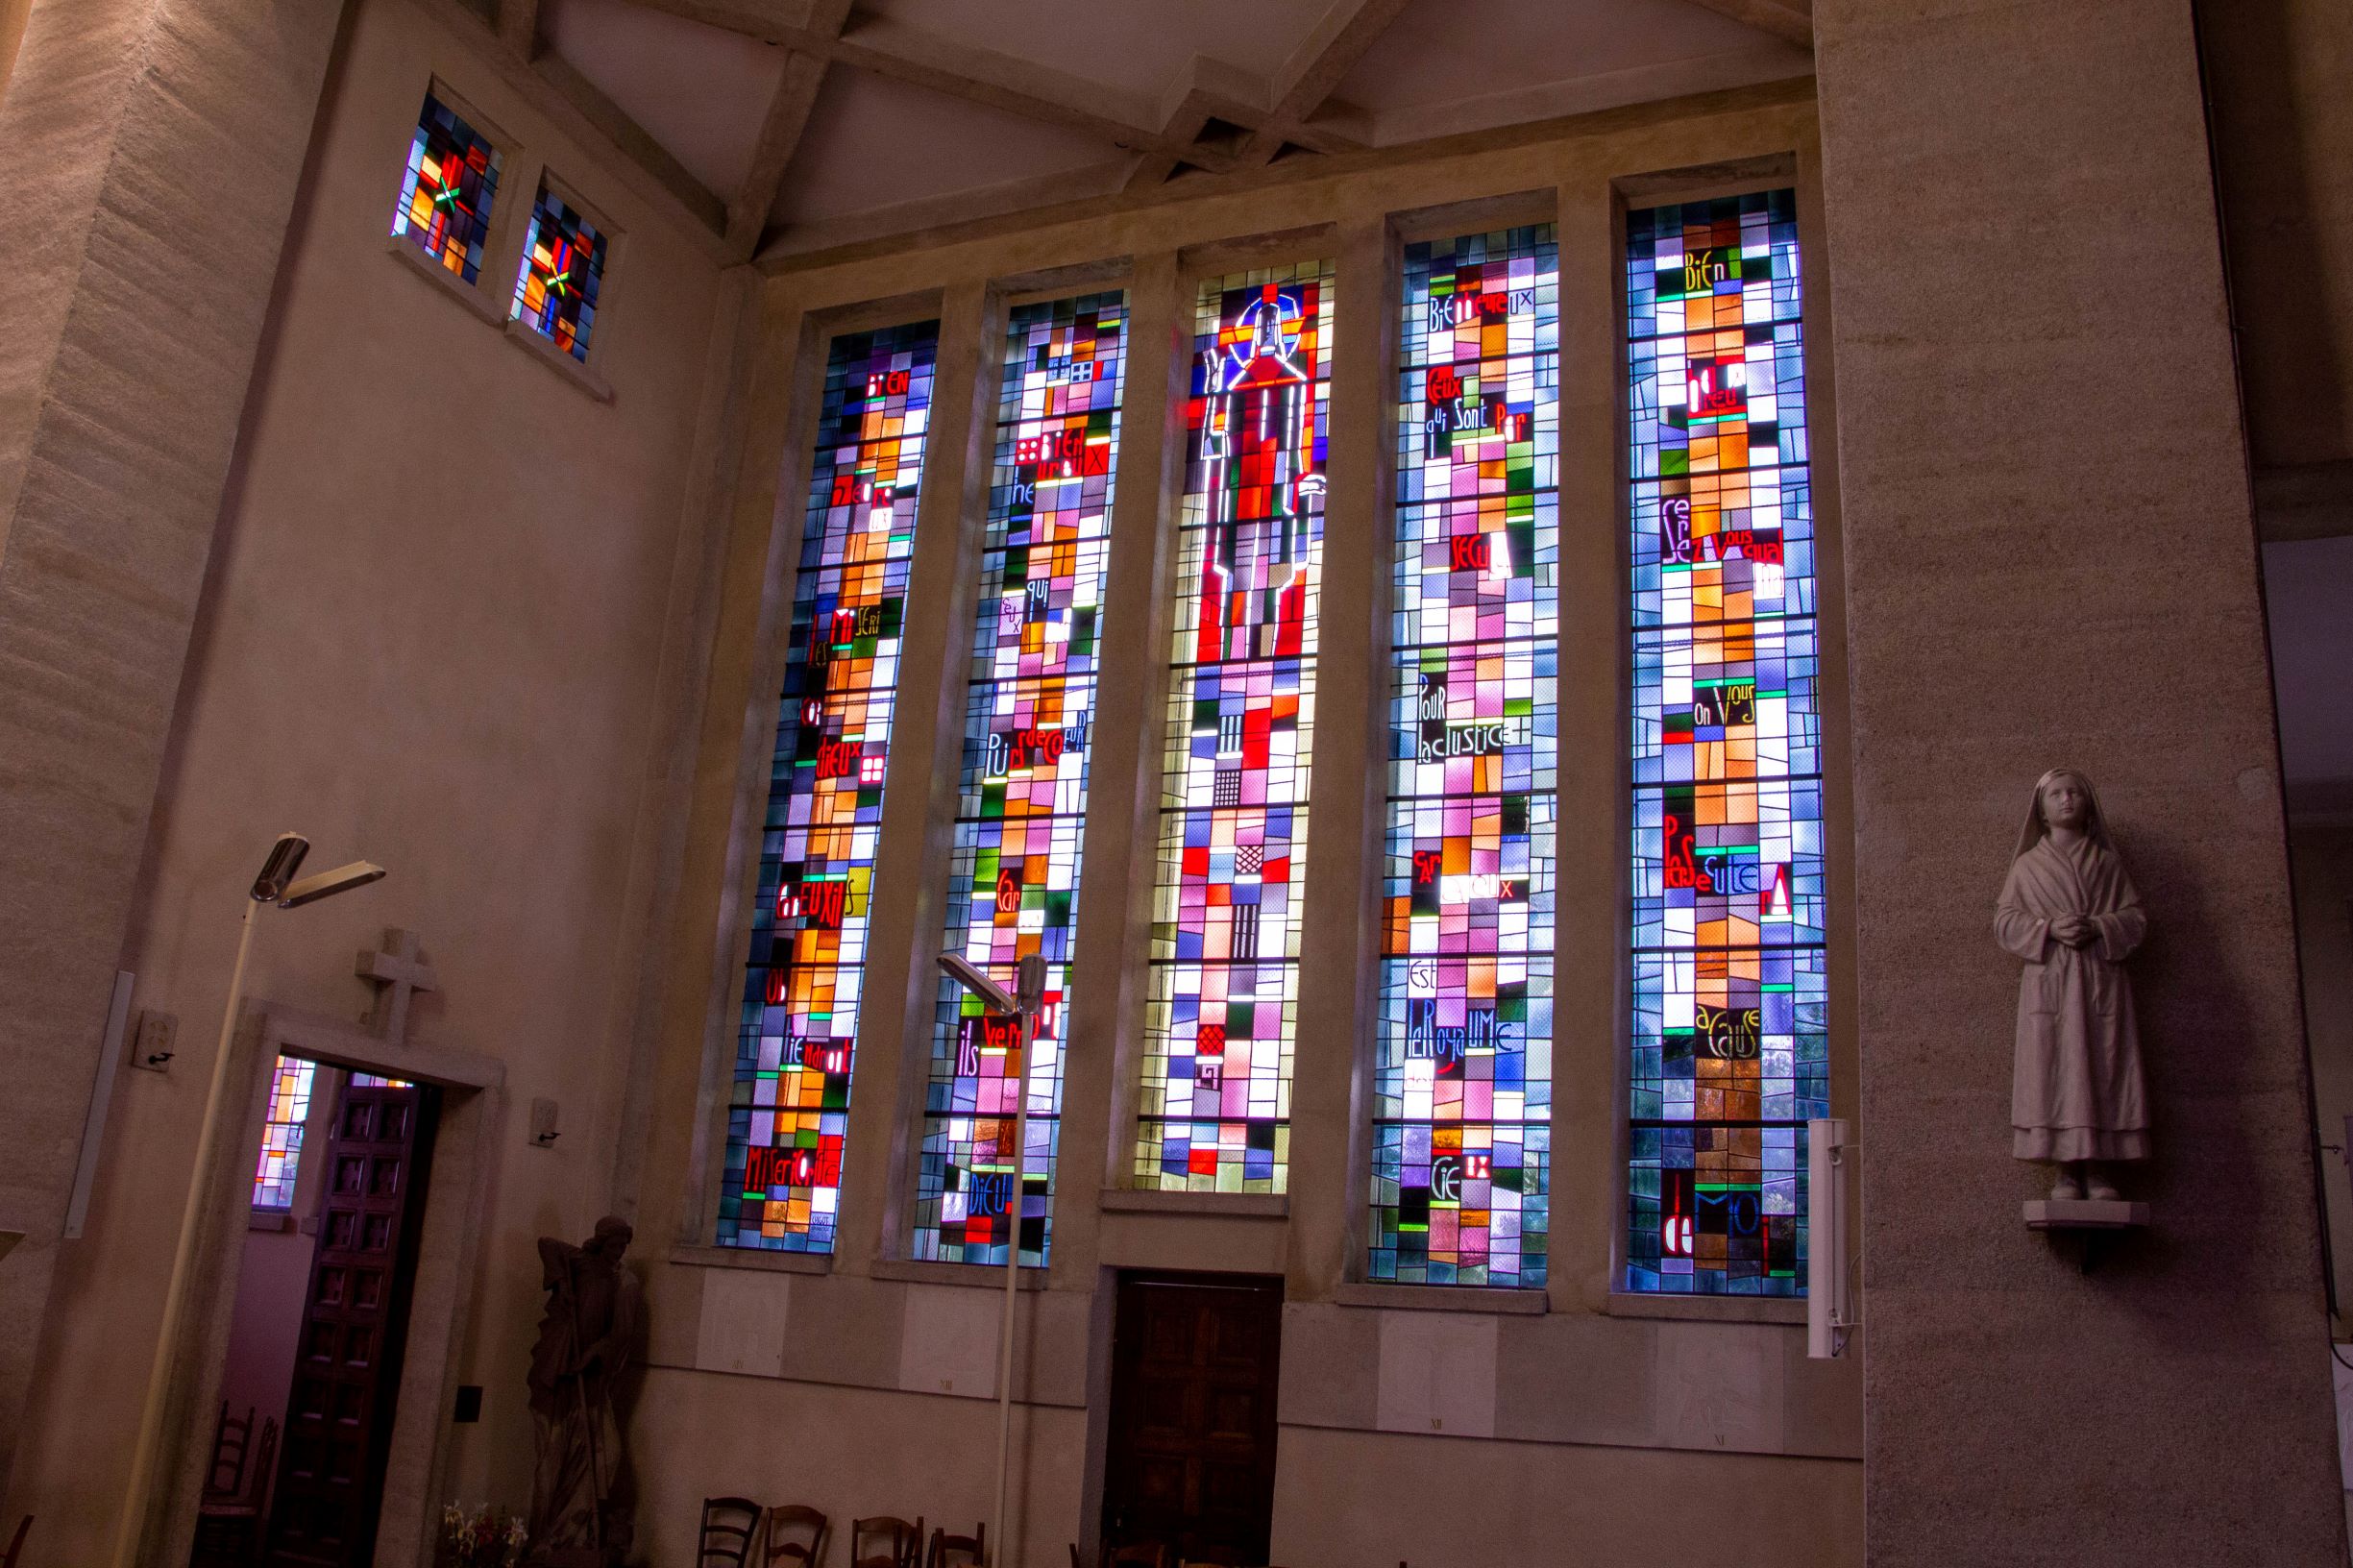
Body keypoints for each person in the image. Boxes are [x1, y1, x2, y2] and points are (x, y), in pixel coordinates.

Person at [1996, 768, 2148, 1199]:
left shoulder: (2106, 863)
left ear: (2088, 805)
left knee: (2103, 1066)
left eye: (2075, 793)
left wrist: (2099, 926)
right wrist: (2047, 928)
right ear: (2042, 811)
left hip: (2100, 979)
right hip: (2051, 980)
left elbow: (2136, 917)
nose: (2067, 800)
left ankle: (2099, 1169)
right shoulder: (2027, 867)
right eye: (2057, 794)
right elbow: (2004, 921)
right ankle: (2065, 1170)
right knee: (2055, 1070)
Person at [525, 1215, 640, 1565]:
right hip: (558, 1375)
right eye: (614, 1245)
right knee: (551, 1462)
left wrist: (594, 1353)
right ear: (601, 1242)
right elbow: (547, 1244)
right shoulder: (582, 1261)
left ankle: (574, 1532)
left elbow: (615, 1337)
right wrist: (563, 1284)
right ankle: (544, 1538)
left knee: (607, 1454)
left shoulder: (619, 1280)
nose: (619, 1252)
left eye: (623, 1247)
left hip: (588, 1381)